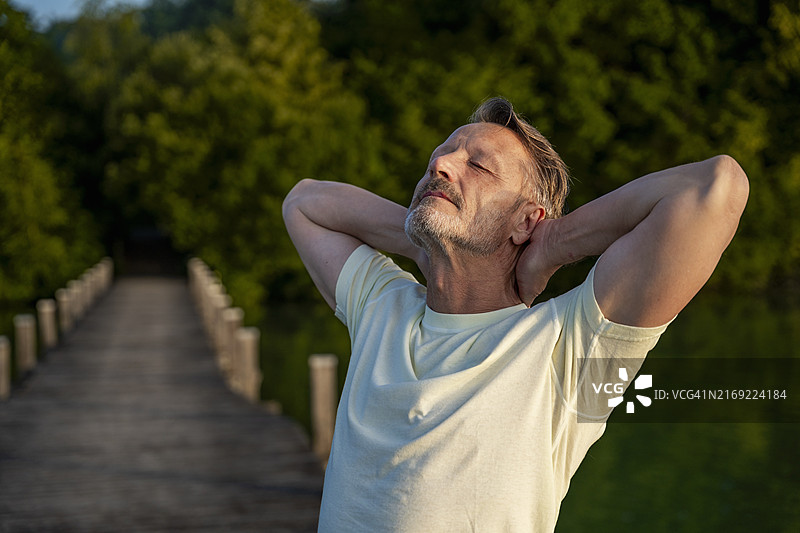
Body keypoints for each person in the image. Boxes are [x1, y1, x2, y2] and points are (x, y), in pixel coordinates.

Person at [282, 97, 749, 532]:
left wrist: (553, 244)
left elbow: (716, 187)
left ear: (527, 220)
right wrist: (423, 237)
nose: (440, 165)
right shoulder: (382, 306)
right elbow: (303, 202)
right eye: (440, 156)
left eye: (478, 165)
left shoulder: (568, 345)